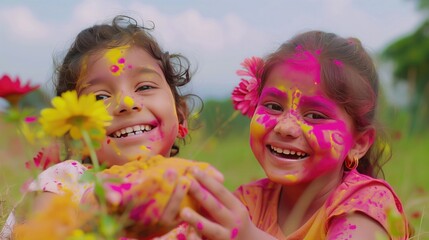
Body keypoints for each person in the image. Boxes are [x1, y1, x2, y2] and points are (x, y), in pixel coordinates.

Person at [1, 15, 219, 239]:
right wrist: (99, 226)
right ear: (73, 132)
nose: (126, 102)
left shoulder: (195, 193)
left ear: (180, 114)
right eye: (100, 97)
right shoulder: (65, 183)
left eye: (144, 86)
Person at [179, 31, 410, 239]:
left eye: (315, 116)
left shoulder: (368, 203)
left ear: (358, 143)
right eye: (273, 106)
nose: (285, 127)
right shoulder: (248, 202)